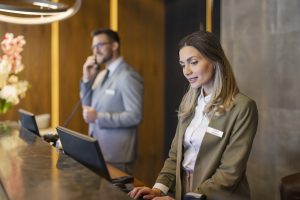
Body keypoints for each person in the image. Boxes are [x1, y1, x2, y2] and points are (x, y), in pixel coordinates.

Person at [129, 31, 258, 200]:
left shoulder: (243, 107)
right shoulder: (188, 103)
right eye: (183, 64)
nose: (187, 71)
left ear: (214, 60)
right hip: (184, 191)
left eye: (193, 62)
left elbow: (229, 173)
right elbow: (175, 156)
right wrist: (158, 189)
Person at [80, 28, 143, 175]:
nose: (95, 51)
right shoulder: (100, 74)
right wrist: (87, 79)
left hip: (117, 157)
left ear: (114, 46)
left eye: (100, 45)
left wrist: (99, 117)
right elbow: (86, 105)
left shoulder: (128, 76)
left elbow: (135, 116)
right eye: (93, 47)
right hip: (97, 151)